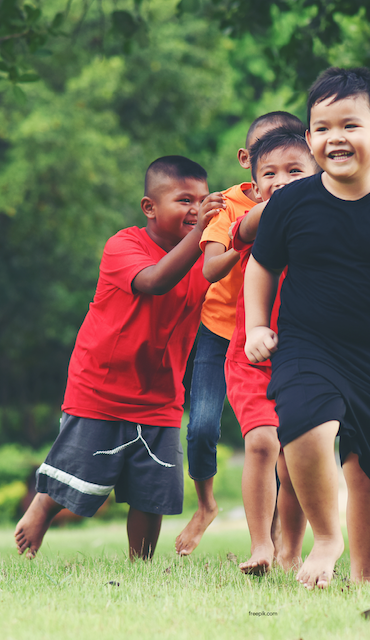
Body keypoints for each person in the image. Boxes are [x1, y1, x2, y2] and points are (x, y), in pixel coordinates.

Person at [244, 67, 370, 589]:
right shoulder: (290, 202)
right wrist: (256, 327)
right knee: (305, 425)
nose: (335, 137)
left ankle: (367, 578)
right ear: (310, 139)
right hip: (307, 346)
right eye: (322, 127)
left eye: (350, 125)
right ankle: (327, 537)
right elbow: (260, 266)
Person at [14, 156, 225, 561]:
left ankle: (140, 565)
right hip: (101, 385)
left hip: (162, 391)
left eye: (202, 200)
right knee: (82, 475)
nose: (196, 209)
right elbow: (155, 281)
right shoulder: (123, 245)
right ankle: (43, 506)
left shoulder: (206, 259)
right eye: (184, 200)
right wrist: (201, 232)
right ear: (149, 208)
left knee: (154, 487)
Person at [175, 111, 305, 557]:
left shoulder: (310, 201)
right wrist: (248, 236)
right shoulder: (229, 206)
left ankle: (276, 535)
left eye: (293, 163)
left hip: (280, 332)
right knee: (203, 427)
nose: (281, 173)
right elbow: (210, 268)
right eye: (268, 163)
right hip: (221, 331)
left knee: (280, 440)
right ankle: (207, 505)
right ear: (248, 161)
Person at [225, 125, 320, 575]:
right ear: (256, 182)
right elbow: (243, 227)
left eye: (294, 171)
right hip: (252, 357)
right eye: (270, 173)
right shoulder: (256, 217)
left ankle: (292, 549)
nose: (280, 180)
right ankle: (261, 545)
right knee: (262, 443)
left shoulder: (327, 224)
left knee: (296, 455)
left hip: (304, 358)